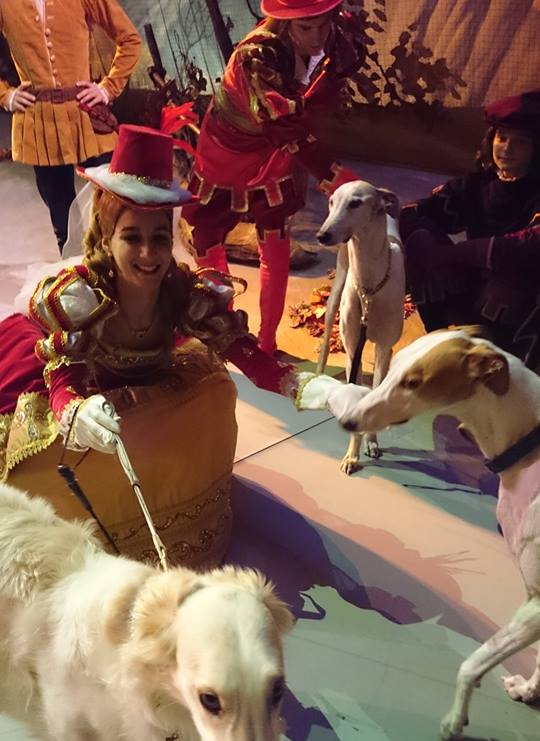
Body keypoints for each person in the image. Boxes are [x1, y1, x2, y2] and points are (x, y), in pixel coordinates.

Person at [0, 124, 298, 563]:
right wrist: (73, 410)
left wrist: (303, 386)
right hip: (90, 390)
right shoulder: (81, 297)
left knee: (213, 396)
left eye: (159, 238)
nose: (148, 254)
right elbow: (65, 379)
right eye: (131, 238)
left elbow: (243, 351)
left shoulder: (181, 291)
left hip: (146, 387)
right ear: (107, 237)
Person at [182, 0, 365, 355]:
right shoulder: (258, 57)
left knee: (276, 240)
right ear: (285, 23)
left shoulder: (333, 36)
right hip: (227, 149)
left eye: (322, 25)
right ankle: (223, 332)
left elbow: (338, 63)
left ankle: (267, 342)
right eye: (305, 28)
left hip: (272, 148)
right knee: (209, 235)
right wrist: (340, 179)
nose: (316, 37)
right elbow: (287, 128)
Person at [400, 89, 540, 369]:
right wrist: (425, 248)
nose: (507, 148)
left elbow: (527, 245)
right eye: (502, 138)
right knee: (420, 240)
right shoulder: (478, 185)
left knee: (509, 281)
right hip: (480, 285)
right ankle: (443, 337)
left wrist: (454, 254)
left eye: (520, 142)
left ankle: (513, 361)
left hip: (528, 296)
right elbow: (417, 211)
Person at [0, 0, 141, 252]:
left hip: (86, 117)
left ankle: (118, 267)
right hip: (40, 123)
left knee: (113, 205)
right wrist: (6, 95)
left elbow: (130, 39)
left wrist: (108, 88)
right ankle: (77, 268)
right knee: (62, 216)